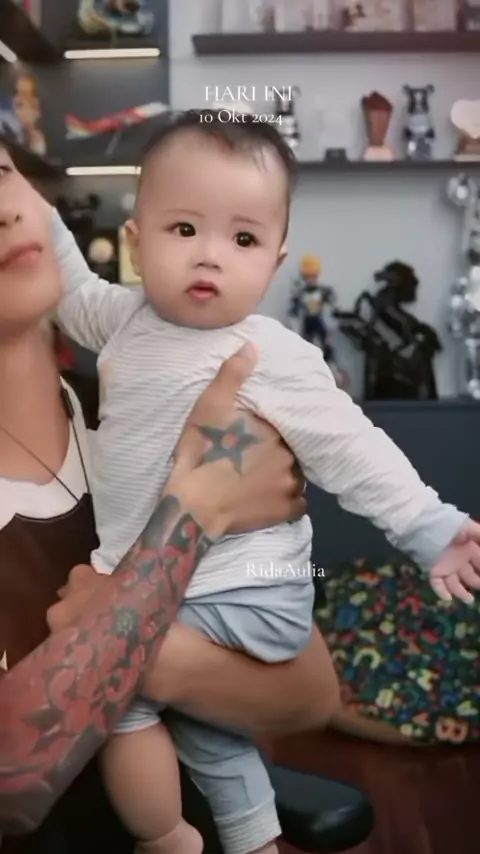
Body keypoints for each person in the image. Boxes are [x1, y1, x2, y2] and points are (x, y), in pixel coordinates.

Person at [49, 108, 480, 854]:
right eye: (184, 229)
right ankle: (253, 840)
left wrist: (428, 526)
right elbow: (69, 290)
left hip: (239, 590)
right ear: (136, 242)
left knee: (118, 698)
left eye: (242, 239)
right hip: (171, 588)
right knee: (212, 740)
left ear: (275, 262)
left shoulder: (269, 354)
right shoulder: (123, 320)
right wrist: (30, 206)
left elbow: (352, 448)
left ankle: (166, 838)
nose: (209, 256)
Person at [0, 139, 342, 853]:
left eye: (1, 174)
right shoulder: (209, 466)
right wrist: (196, 510)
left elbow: (311, 691)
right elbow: (10, 784)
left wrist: (118, 631)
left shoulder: (163, 414)